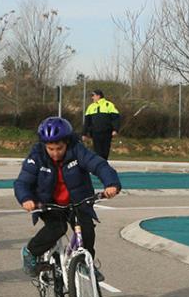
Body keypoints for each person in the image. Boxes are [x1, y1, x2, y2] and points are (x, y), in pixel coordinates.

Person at [15, 116, 121, 279]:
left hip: (77, 202)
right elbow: (23, 182)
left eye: (59, 148)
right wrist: (26, 199)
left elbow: (99, 165)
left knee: (86, 229)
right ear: (44, 146)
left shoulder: (77, 150)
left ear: (67, 143)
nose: (55, 153)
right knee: (57, 228)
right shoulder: (37, 156)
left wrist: (111, 184)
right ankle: (30, 252)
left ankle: (86, 263)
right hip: (49, 204)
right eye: (51, 149)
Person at [82, 89, 120, 159]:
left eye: (93, 95)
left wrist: (115, 130)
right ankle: (99, 165)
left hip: (107, 133)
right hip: (95, 133)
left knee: (105, 151)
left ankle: (103, 164)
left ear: (98, 96)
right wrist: (84, 133)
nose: (92, 97)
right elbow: (87, 121)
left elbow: (116, 118)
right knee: (97, 151)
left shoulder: (109, 105)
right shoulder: (91, 107)